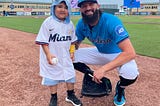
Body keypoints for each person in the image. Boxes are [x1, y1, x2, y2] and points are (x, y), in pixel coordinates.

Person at [73, 0, 139, 106]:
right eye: (84, 6)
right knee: (69, 57)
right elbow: (75, 44)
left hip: (118, 54)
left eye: (91, 4)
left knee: (130, 73)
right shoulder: (82, 24)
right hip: (99, 52)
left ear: (98, 6)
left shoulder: (111, 21)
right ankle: (91, 75)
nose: (88, 8)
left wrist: (103, 69)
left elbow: (130, 53)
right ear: (81, 9)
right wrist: (70, 49)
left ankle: (120, 88)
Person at [35, 0, 82, 106]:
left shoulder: (69, 24)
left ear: (69, 10)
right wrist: (48, 54)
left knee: (70, 75)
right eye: (60, 6)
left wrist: (72, 52)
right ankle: (53, 97)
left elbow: (73, 41)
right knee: (52, 77)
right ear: (54, 8)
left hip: (65, 56)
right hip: (52, 55)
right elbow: (43, 41)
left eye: (66, 8)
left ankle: (70, 95)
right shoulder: (48, 22)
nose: (63, 10)